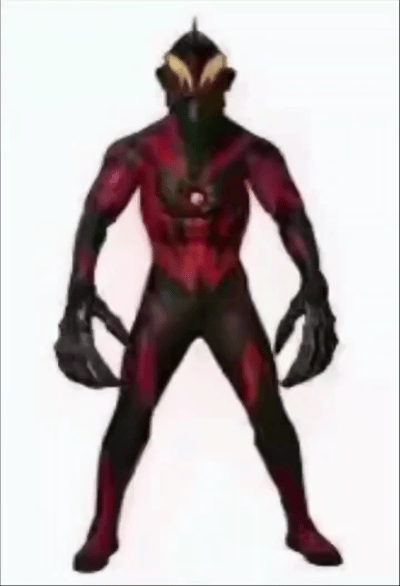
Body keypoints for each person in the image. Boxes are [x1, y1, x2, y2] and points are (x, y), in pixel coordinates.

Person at [55, 20, 342, 573]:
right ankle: (103, 529)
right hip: (168, 298)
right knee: (132, 413)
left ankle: (300, 524)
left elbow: (290, 216)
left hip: (225, 296)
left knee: (268, 411)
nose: (192, 107)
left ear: (225, 86)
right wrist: (78, 294)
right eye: (185, 93)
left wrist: (314, 286)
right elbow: (95, 218)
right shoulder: (138, 152)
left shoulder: (250, 152)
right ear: (165, 85)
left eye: (203, 94)